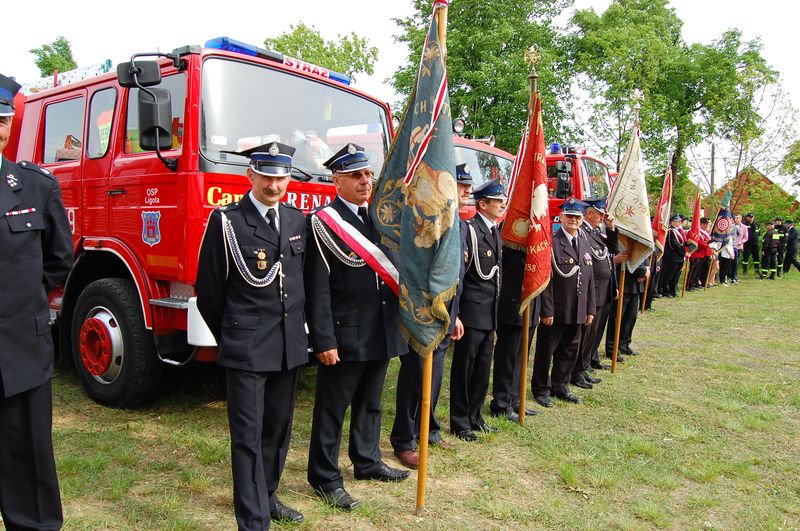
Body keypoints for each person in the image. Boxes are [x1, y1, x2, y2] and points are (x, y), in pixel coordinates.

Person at [195, 142, 307, 528]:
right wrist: (232, 337)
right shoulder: (227, 221)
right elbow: (209, 291)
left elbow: (302, 283)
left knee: (277, 430)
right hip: (246, 346)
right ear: (251, 176)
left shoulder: (296, 220)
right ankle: (253, 518)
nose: (274, 186)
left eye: (281, 178)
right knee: (247, 436)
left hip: (288, 345)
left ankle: (268, 495)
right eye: (267, 178)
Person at [305, 144, 408, 511]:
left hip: (381, 327)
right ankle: (325, 477)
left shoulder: (377, 218)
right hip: (345, 332)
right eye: (356, 175)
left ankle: (366, 461)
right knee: (332, 408)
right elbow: (316, 287)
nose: (366, 181)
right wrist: (323, 339)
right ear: (337, 180)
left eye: (367, 175)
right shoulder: (322, 220)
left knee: (371, 403)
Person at [0, 73, 73, 530]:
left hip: (19, 353)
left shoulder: (34, 187)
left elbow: (59, 260)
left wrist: (21, 302)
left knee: (28, 463)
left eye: (2, 118)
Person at [390, 163, 470, 468]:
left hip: (446, 315)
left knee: (434, 376)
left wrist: (456, 314)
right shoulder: (421, 218)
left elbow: (455, 277)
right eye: (460, 187)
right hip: (420, 315)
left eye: (467, 189)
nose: (465, 193)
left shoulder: (458, 225)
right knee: (415, 376)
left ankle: (428, 429)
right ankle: (403, 439)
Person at [450, 178, 505, 440]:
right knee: (465, 368)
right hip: (471, 312)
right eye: (497, 201)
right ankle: (460, 421)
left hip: (489, 311)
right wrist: (456, 313)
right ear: (482, 204)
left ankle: (476, 415)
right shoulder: (470, 230)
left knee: (483, 368)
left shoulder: (494, 231)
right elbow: (460, 274)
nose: (502, 205)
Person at [532, 198, 596, 407]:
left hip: (578, 309)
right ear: (561, 217)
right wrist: (546, 309)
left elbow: (589, 279)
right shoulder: (551, 242)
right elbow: (545, 280)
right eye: (570, 216)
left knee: (569, 351)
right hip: (556, 310)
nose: (574, 220)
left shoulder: (584, 242)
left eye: (577, 217)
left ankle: (561, 386)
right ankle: (541, 389)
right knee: (546, 351)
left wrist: (590, 308)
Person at [489, 235, 541, 421]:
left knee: (521, 357)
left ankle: (515, 399)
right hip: (513, 305)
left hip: (531, 307)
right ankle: (502, 402)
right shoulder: (510, 234)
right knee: (508, 358)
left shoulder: (538, 234)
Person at [571, 198, 620, 387]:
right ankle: (578, 371)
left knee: (592, 334)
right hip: (593, 289)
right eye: (599, 213)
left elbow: (612, 251)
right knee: (584, 335)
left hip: (602, 289)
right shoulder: (583, 232)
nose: (602, 217)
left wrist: (611, 227)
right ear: (589, 213)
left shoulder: (596, 232)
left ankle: (583, 368)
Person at [659, 215, 686, 297]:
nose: (679, 222)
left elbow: (682, 243)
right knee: (669, 275)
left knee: (676, 275)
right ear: (672, 222)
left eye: (679, 221)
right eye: (677, 221)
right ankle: (666, 291)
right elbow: (674, 244)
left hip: (679, 257)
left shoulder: (678, 231)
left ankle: (672, 290)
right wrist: (684, 251)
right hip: (673, 256)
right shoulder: (671, 231)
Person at [687, 218, 712, 290]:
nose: (706, 226)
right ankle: (690, 285)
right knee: (694, 270)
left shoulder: (705, 232)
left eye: (706, 224)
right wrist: (707, 245)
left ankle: (696, 283)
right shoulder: (695, 231)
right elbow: (697, 241)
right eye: (704, 224)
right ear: (700, 224)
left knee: (699, 271)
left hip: (704, 254)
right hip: (696, 253)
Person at [731, 213, 748, 283]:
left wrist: (740, 242)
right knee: (730, 262)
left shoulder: (744, 227)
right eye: (735, 218)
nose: (736, 219)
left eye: (737, 218)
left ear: (740, 219)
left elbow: (746, 237)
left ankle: (735, 276)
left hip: (738, 247)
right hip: (731, 246)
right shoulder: (732, 226)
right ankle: (730, 275)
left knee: (736, 262)